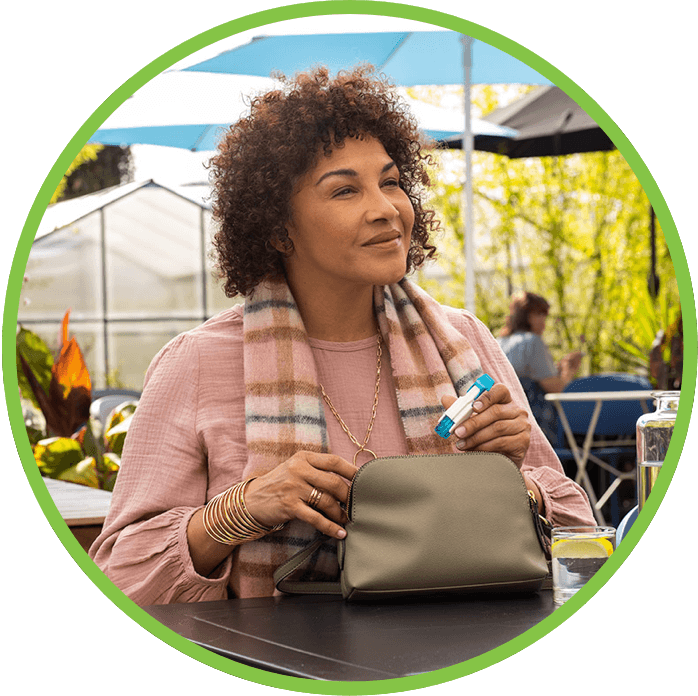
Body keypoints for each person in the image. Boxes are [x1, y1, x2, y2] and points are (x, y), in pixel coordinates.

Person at [90, 66, 595, 606]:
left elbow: (580, 532)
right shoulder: (198, 362)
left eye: (392, 182)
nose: (385, 210)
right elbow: (120, 576)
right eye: (345, 191)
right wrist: (240, 510)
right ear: (278, 227)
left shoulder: (464, 341)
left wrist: (515, 482)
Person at [497, 292, 582, 443]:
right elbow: (557, 389)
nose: (544, 321)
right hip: (536, 426)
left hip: (505, 423)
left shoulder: (499, 342)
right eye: (539, 314)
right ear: (525, 316)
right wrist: (569, 369)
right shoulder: (532, 342)